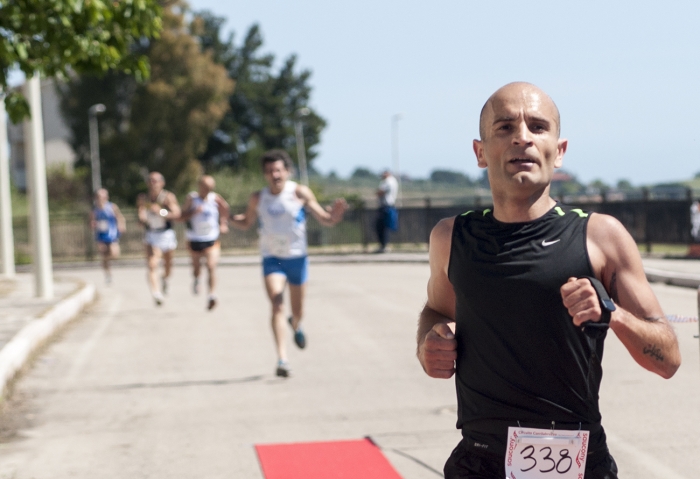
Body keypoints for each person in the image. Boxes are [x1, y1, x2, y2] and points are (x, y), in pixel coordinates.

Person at [416, 82, 681, 479]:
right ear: (480, 152)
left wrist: (613, 314)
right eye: (504, 127)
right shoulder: (451, 238)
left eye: (538, 127)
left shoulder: (600, 237)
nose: (522, 137)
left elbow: (668, 360)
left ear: (559, 151)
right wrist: (428, 344)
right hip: (479, 461)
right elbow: (436, 309)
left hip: (573, 461)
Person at [231, 149, 347, 378]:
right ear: (265, 174)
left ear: (287, 171)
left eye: (278, 170)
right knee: (276, 304)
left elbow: (324, 218)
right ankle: (282, 359)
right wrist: (225, 217)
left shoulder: (299, 192)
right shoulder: (259, 198)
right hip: (272, 259)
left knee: (297, 311)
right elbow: (246, 222)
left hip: (297, 259)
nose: (274, 174)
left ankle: (296, 325)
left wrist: (334, 216)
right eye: (269, 171)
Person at [180, 175, 230, 310]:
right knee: (197, 268)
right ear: (199, 186)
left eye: (210, 188)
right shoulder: (192, 198)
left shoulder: (215, 198)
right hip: (195, 239)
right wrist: (193, 212)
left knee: (211, 266)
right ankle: (196, 279)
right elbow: (182, 215)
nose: (208, 190)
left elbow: (225, 208)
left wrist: (223, 223)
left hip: (211, 238)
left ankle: (212, 295)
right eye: (205, 187)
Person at [137, 172, 181, 306]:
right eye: (150, 180)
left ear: (162, 183)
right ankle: (156, 293)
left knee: (168, 266)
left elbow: (177, 213)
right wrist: (142, 218)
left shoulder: (167, 197)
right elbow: (141, 212)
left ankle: (165, 278)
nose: (152, 183)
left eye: (155, 181)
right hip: (151, 234)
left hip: (166, 234)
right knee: (152, 264)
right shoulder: (143, 198)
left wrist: (161, 212)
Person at [90, 188, 126, 283]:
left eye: (103, 196)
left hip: (111, 234)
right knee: (103, 253)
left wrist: (121, 225)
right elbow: (91, 222)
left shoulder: (112, 207)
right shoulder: (95, 210)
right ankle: (107, 273)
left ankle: (106, 262)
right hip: (100, 235)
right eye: (99, 197)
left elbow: (120, 217)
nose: (101, 199)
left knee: (114, 254)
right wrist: (92, 224)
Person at [375, 169, 399, 253]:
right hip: (386, 206)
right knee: (381, 227)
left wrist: (377, 192)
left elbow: (380, 192)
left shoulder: (389, 181)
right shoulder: (391, 181)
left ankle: (384, 245)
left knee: (383, 227)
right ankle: (383, 245)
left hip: (386, 207)